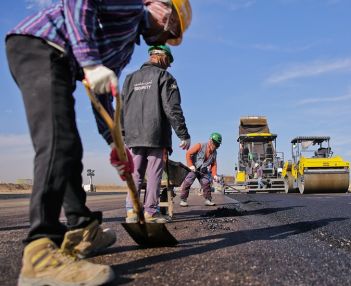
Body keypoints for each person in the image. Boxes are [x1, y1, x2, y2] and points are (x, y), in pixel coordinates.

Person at [5, 0, 192, 285]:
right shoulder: (129, 4)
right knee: (59, 144)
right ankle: (40, 256)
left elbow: (102, 93)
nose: (167, 37)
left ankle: (83, 228)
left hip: (61, 61)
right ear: (159, 6)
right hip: (39, 45)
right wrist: (90, 62)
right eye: (172, 27)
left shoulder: (127, 44)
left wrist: (115, 143)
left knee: (70, 148)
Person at [122, 45, 190, 223]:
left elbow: (122, 108)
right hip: (156, 133)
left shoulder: (129, 79)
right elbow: (172, 108)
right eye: (168, 61)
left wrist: (123, 133)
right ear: (161, 57)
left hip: (133, 135)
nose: (168, 66)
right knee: (154, 174)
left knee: (135, 172)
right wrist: (183, 134)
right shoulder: (164, 77)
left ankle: (132, 211)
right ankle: (150, 212)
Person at [179, 133, 222, 207]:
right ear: (211, 141)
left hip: (203, 170)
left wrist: (214, 175)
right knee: (188, 181)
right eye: (215, 144)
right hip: (193, 168)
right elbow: (188, 153)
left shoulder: (214, 153)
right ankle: (183, 200)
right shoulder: (200, 145)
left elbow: (214, 164)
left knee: (206, 182)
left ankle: (208, 200)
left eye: (217, 145)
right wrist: (190, 165)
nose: (215, 146)